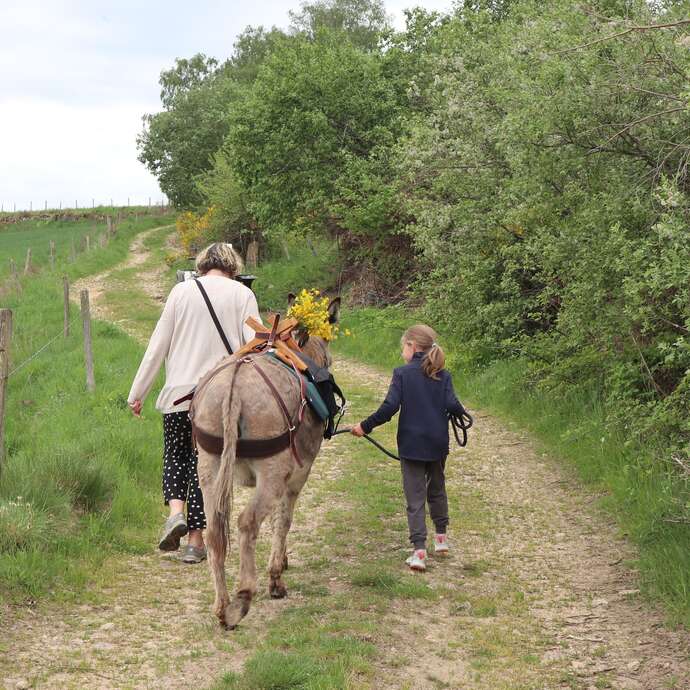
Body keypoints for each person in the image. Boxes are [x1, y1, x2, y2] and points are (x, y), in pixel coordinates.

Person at [128, 242, 260, 564]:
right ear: (233, 266)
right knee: (208, 468)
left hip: (178, 394)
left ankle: (176, 512)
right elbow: (254, 347)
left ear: (201, 264)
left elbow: (157, 345)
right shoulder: (242, 295)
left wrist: (138, 393)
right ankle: (195, 542)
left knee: (175, 454)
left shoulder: (180, 293)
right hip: (218, 397)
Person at [351, 325, 466, 572]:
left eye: (404, 345)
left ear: (413, 346)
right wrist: (457, 412)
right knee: (437, 489)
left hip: (412, 445)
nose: (402, 350)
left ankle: (419, 551)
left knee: (415, 497)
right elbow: (453, 405)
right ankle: (441, 539)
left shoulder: (402, 374)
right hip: (437, 444)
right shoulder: (443, 376)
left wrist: (364, 426)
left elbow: (389, 407)